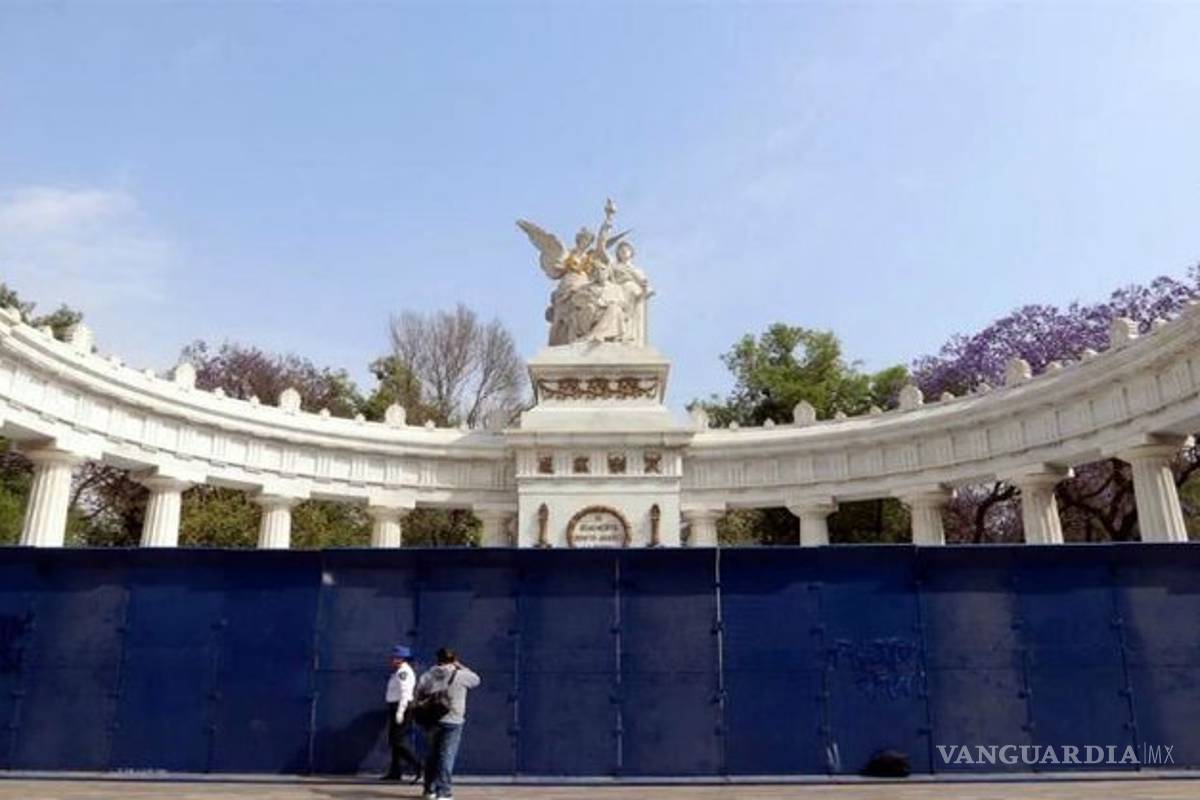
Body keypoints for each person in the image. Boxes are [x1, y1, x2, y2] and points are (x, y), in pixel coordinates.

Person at [415, 647, 481, 800]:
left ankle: (429, 790)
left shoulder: (429, 675)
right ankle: (443, 792)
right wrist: (461, 666)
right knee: (447, 756)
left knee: (431, 756)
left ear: (437, 659)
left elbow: (418, 693)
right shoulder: (462, 675)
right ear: (454, 659)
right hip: (453, 720)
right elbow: (477, 680)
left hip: (432, 720)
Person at [381, 644, 421, 783]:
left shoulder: (403, 673)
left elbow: (405, 693)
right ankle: (395, 771)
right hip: (396, 707)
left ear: (401, 659)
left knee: (397, 741)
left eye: (395, 657)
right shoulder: (398, 671)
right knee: (394, 741)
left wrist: (400, 712)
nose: (392, 659)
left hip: (402, 707)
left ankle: (417, 765)